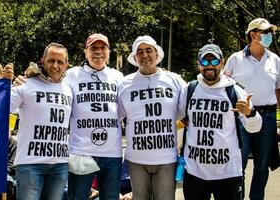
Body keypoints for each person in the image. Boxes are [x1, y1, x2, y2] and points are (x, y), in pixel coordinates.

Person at [178, 44, 262, 200]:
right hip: (195, 173)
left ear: (222, 63)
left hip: (228, 174)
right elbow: (177, 120)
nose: (209, 66)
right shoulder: (189, 90)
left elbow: (255, 128)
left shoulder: (235, 91)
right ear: (198, 64)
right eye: (204, 62)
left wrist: (250, 113)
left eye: (214, 61)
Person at [118, 35, 187, 200]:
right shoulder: (125, 84)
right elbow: (115, 117)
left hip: (166, 159)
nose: (144, 55)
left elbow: (189, 109)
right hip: (136, 160)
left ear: (157, 54)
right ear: (135, 57)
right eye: (139, 52)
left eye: (149, 50)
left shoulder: (174, 80)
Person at [224, 18, 280, 200]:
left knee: (262, 167)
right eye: (265, 32)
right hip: (240, 119)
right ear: (253, 35)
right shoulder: (235, 59)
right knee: (238, 165)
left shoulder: (276, 60)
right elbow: (223, 88)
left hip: (268, 118)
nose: (270, 36)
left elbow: (279, 91)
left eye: (270, 32)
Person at [8, 42, 72, 200]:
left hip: (60, 164)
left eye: (60, 62)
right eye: (51, 60)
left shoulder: (69, 89)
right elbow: (1, 107)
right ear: (42, 61)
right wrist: (5, 84)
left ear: (66, 65)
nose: (55, 65)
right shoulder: (25, 84)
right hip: (30, 164)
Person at [65, 33, 123, 200]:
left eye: (102, 48)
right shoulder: (72, 75)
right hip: (81, 151)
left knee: (111, 198)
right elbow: (52, 87)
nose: (98, 51)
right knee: (78, 197)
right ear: (85, 51)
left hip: (112, 152)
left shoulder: (118, 77)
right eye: (93, 48)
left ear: (109, 52)